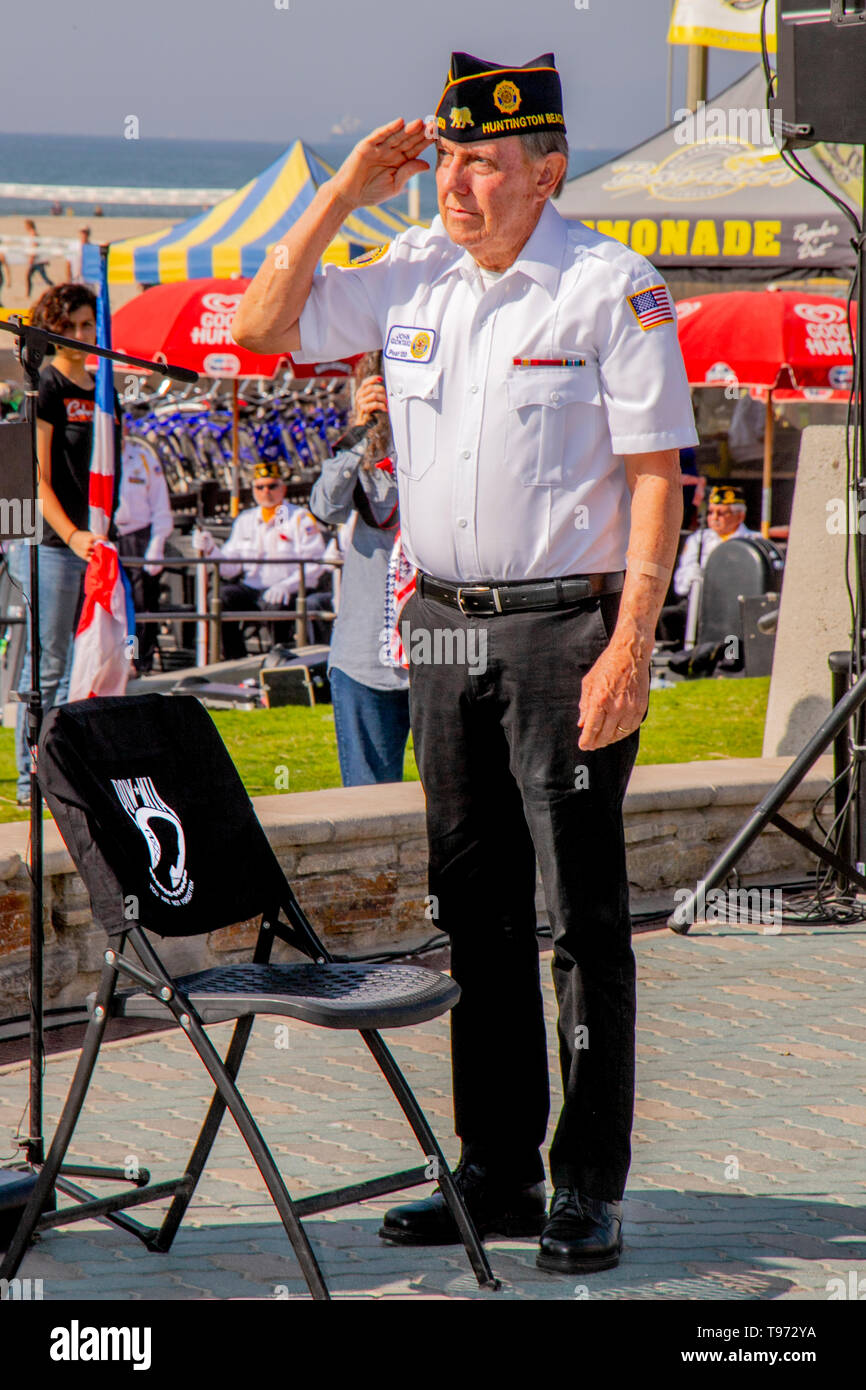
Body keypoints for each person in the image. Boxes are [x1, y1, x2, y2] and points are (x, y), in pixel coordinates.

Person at [232, 50, 697, 1275]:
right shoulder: (407, 276)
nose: (455, 182)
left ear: (544, 174)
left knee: (581, 921)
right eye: (445, 157)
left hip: (565, 630)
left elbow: (658, 478)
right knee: (470, 913)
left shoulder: (609, 288)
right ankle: (493, 1169)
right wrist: (340, 193)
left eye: (483, 162)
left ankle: (585, 1182)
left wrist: (631, 648)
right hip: (437, 623)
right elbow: (256, 326)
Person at [10, 283, 119, 805]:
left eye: (87, 324)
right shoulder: (47, 386)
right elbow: (36, 477)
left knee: (91, 659)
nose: (81, 334)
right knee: (46, 664)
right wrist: (72, 534)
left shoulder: (103, 390)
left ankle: (68, 768)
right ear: (53, 328)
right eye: (71, 325)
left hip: (95, 544)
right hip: (54, 543)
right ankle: (31, 779)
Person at [309, 352, 411, 785]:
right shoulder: (364, 439)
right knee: (369, 799)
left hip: (443, 649)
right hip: (364, 652)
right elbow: (325, 508)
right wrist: (360, 429)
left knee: (457, 805)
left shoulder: (459, 437)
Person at [192, 460, 327, 660]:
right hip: (251, 587)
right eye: (259, 487)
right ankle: (234, 659)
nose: (266, 492)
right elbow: (230, 566)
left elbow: (315, 564)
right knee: (220, 597)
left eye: (272, 486)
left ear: (283, 488)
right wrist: (211, 549)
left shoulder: (299, 518)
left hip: (285, 590)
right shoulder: (246, 520)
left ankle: (279, 662)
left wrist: (287, 586)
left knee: (276, 605)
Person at [657, 484, 756, 647]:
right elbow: (680, 587)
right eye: (711, 512)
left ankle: (728, 660)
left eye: (721, 513)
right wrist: (692, 576)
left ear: (740, 516)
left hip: (735, 607)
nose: (714, 517)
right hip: (701, 602)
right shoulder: (698, 540)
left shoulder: (753, 542)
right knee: (669, 617)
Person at [115, 437, 174, 674]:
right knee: (114, 606)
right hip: (106, 536)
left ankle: (138, 662)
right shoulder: (95, 453)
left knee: (140, 607)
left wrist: (157, 543)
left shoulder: (144, 459)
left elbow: (161, 507)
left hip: (138, 538)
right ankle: (115, 662)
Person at [24, 219, 53, 298]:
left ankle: (53, 287)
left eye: (26, 225)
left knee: (43, 277)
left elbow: (35, 246)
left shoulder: (34, 234)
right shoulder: (32, 233)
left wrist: (32, 257)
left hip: (37, 260)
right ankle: (28, 294)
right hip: (36, 259)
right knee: (29, 276)